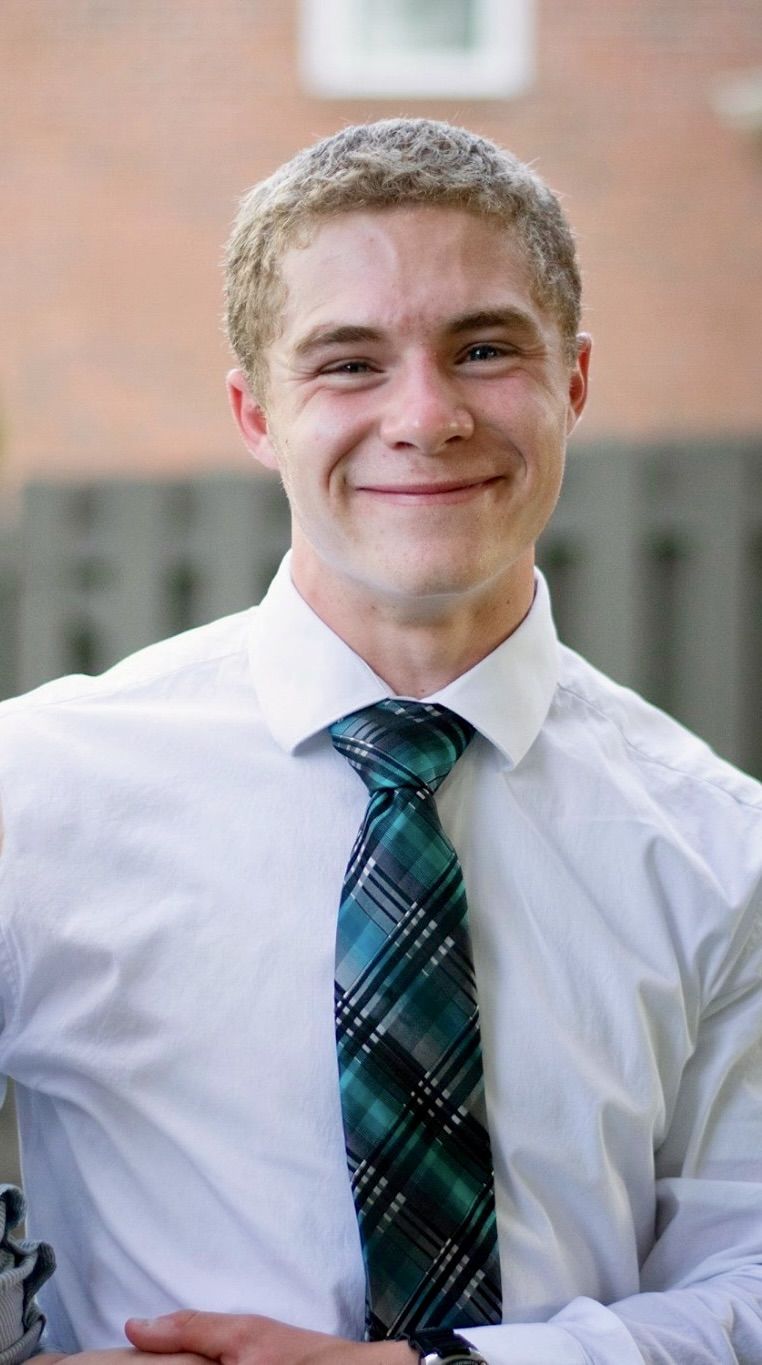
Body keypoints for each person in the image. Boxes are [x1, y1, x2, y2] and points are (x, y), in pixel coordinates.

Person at [0, 118, 760, 1365]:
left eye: (483, 348)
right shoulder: (33, 794)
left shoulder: (725, 852)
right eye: (348, 363)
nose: (427, 414)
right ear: (256, 413)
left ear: (573, 380)